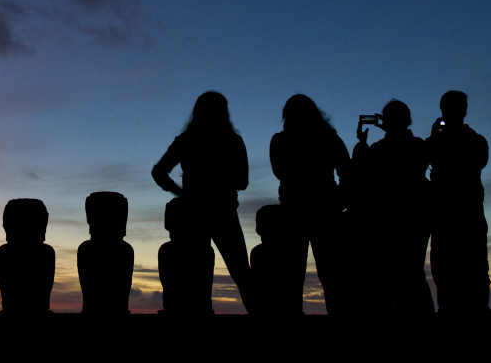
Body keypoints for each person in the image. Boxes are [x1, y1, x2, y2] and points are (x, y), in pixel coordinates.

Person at [152, 91, 253, 310]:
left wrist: (184, 193)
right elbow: (243, 181)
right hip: (219, 211)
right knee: (240, 274)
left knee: (201, 275)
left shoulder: (188, 140)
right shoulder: (232, 141)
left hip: (200, 212)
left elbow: (159, 172)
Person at [268, 94, 350, 313]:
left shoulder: (280, 141)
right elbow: (347, 173)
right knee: (332, 272)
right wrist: (338, 199)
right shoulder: (329, 138)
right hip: (325, 209)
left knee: (292, 273)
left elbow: (279, 173)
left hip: (295, 209)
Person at [351, 99, 433, 313]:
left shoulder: (377, 150)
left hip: (384, 220)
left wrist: (361, 142)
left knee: (385, 276)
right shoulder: (420, 146)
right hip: (416, 217)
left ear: (385, 122)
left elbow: (358, 173)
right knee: (414, 274)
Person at [427, 90, 489, 313]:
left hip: (458, 211)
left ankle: (469, 309)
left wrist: (437, 139)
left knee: (466, 265)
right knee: (453, 265)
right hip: (455, 211)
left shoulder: (473, 140)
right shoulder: (475, 140)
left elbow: (479, 161)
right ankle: (463, 309)